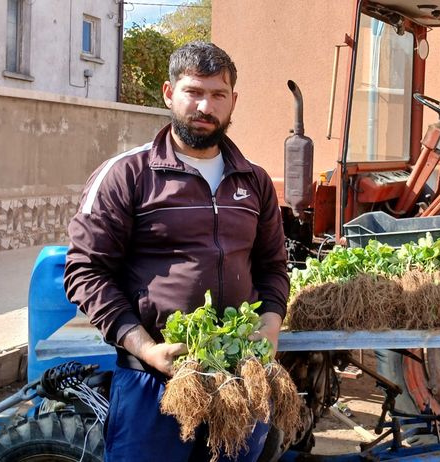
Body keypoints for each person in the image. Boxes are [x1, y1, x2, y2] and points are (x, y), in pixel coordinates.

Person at [64, 42, 290, 461]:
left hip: (238, 379)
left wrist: (271, 323)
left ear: (233, 101)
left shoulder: (254, 180)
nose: (205, 106)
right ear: (169, 93)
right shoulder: (127, 174)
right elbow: (85, 271)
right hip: (154, 381)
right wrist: (146, 348)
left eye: (218, 95)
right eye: (194, 92)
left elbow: (274, 267)